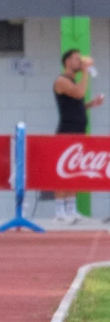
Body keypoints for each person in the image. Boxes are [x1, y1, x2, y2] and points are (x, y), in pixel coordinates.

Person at [53, 49, 104, 224]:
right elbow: (79, 93)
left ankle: (71, 209)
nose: (80, 62)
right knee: (62, 171)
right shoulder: (62, 81)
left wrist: (92, 104)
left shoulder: (74, 81)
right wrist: (86, 72)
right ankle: (60, 211)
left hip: (78, 130)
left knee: (73, 171)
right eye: (76, 59)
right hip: (66, 130)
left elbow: (77, 104)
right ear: (67, 62)